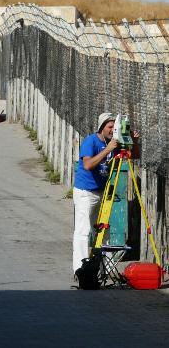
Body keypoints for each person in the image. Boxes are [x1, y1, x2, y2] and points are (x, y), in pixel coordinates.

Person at [72, 112, 118, 277]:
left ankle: (104, 268)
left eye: (115, 127)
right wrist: (108, 150)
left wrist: (133, 142)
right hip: (85, 191)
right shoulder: (91, 141)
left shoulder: (113, 142)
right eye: (110, 127)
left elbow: (136, 156)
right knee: (83, 231)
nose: (113, 130)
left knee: (102, 231)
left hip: (102, 192)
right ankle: (81, 269)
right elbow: (88, 165)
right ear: (102, 127)